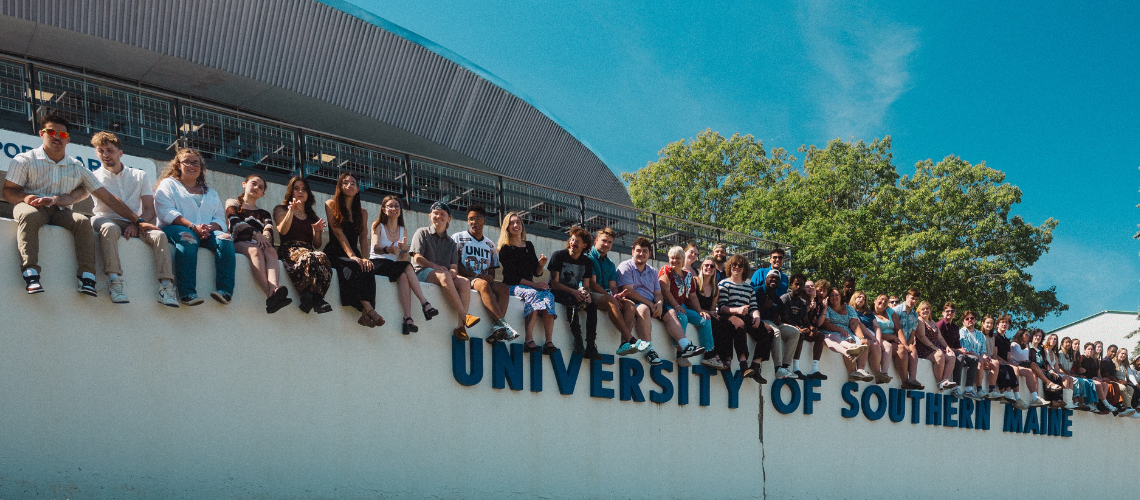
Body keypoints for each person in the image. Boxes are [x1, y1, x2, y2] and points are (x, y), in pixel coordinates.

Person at [4, 114, 150, 296]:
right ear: (42, 134)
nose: (57, 137)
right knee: (29, 215)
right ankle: (31, 272)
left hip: (60, 211)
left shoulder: (77, 166)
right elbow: (8, 192)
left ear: (68, 139)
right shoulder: (24, 159)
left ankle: (87, 277)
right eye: (51, 132)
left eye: (62, 134)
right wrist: (27, 198)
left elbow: (108, 197)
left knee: (82, 221)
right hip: (32, 207)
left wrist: (138, 220)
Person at [88, 131, 176, 306]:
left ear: (120, 153)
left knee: (159, 236)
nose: (105, 155)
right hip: (104, 218)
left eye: (110, 150)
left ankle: (166, 287)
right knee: (110, 228)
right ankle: (114, 282)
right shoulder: (93, 176)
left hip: (136, 220)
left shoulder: (139, 175)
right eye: (100, 150)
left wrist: (136, 223)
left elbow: (150, 208)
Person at [153, 148, 235, 305]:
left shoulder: (211, 193)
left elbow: (220, 219)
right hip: (175, 229)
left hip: (206, 232)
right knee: (187, 238)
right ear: (178, 165)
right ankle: (187, 293)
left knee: (225, 238)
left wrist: (208, 228)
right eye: (187, 162)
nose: (192, 166)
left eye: (196, 162)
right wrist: (192, 227)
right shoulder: (168, 184)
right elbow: (166, 212)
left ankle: (225, 291)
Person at [618, 238, 704, 366]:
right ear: (632, 252)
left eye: (645, 251)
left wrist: (658, 303)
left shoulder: (652, 271)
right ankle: (649, 351)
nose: (641, 254)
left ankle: (685, 346)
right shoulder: (625, 266)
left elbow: (658, 293)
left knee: (671, 312)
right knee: (643, 309)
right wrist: (649, 303)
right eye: (638, 251)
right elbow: (629, 291)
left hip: (651, 303)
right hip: (634, 302)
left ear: (649, 254)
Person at [410, 201, 479, 339]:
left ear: (449, 218)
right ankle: (465, 316)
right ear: (430, 215)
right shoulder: (421, 232)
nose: (438, 216)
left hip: (443, 275)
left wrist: (453, 271)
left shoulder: (452, 243)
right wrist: (437, 267)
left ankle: (461, 327)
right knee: (444, 276)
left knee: (465, 282)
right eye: (435, 213)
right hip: (421, 273)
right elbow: (417, 258)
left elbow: (453, 265)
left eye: (442, 214)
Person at [323, 172, 384, 328]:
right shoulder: (330, 204)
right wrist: (352, 256)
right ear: (340, 186)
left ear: (357, 189)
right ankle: (370, 310)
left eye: (353, 183)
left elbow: (363, 238)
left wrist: (365, 259)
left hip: (354, 253)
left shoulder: (362, 212)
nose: (349, 186)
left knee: (368, 269)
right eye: (345, 183)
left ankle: (365, 315)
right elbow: (338, 232)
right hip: (335, 251)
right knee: (353, 266)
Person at [371, 195, 438, 335]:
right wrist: (387, 250)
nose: (394, 208)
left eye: (397, 206)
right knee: (407, 266)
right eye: (390, 206)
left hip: (392, 265)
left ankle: (407, 318)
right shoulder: (378, 226)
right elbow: (375, 248)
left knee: (403, 276)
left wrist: (403, 250)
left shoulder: (403, 230)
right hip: (377, 262)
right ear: (384, 209)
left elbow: (402, 259)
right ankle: (425, 303)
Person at [226, 174, 290, 313]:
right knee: (255, 251)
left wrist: (264, 237)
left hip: (259, 242)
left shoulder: (264, 213)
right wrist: (256, 233)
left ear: (263, 194)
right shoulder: (233, 203)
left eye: (260, 187)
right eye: (253, 184)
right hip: (240, 241)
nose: (256, 188)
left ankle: (275, 289)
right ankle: (271, 294)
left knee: (271, 251)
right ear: (244, 185)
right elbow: (234, 222)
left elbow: (268, 229)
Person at [451, 204, 515, 341]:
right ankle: (504, 324)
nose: (474, 222)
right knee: (483, 284)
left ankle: (496, 328)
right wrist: (477, 276)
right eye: (470, 219)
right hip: (466, 278)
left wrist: (489, 278)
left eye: (478, 218)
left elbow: (492, 269)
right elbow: (455, 263)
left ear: (484, 220)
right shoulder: (458, 238)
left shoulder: (490, 244)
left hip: (483, 279)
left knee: (503, 288)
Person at [272, 176, 333, 314]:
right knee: (308, 257)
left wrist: (317, 231)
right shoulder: (281, 209)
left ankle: (313, 296)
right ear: (291, 191)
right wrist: (291, 211)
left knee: (322, 256)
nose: (301, 192)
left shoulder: (312, 216)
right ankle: (310, 296)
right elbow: (282, 230)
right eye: (297, 188)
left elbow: (317, 244)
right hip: (290, 249)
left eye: (304, 189)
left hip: (308, 249)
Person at [498, 211, 556, 353]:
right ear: (507, 227)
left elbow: (536, 273)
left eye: (518, 222)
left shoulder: (529, 245)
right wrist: (534, 285)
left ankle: (548, 341)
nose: (515, 225)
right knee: (532, 294)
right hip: (513, 286)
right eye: (512, 223)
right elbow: (511, 276)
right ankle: (528, 339)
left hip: (530, 284)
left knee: (549, 295)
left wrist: (541, 265)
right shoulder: (505, 248)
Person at [586, 227, 643, 356]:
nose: (606, 244)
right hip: (589, 294)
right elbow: (592, 284)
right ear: (596, 240)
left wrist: (617, 295)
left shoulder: (610, 263)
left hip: (606, 296)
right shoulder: (588, 257)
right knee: (611, 299)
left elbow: (612, 286)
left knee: (630, 304)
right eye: (604, 241)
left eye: (610, 242)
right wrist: (611, 297)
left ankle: (624, 344)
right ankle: (630, 338)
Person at [548, 226, 602, 360]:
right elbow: (554, 283)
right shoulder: (558, 255)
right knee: (571, 301)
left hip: (573, 292)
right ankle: (577, 339)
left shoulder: (587, 262)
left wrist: (586, 294)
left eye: (577, 241)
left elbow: (586, 285)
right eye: (572, 240)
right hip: (557, 292)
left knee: (592, 306)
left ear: (584, 245)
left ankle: (590, 344)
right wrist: (574, 291)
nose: (573, 243)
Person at [658, 246, 717, 368]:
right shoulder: (666, 270)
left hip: (682, 305)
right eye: (672, 258)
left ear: (683, 258)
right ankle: (680, 354)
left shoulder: (688, 275)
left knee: (704, 319)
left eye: (678, 258)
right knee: (682, 317)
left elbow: (693, 296)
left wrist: (700, 310)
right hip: (669, 304)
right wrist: (676, 305)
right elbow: (665, 291)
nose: (674, 261)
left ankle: (708, 354)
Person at [715, 255, 768, 381]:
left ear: (744, 269)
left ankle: (755, 365)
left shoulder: (749, 288)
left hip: (745, 316)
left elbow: (754, 307)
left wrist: (756, 317)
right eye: (734, 265)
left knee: (768, 331)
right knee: (739, 325)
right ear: (730, 266)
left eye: (740, 265)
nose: (737, 267)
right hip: (729, 315)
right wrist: (738, 310)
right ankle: (743, 364)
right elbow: (722, 307)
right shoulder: (724, 284)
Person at [820, 288, 873, 383]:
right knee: (849, 341)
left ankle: (860, 370)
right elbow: (826, 324)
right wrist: (839, 329)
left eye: (836, 295)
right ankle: (852, 373)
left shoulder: (849, 308)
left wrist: (862, 338)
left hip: (847, 332)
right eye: (832, 295)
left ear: (841, 297)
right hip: (832, 332)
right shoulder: (827, 308)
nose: (834, 297)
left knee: (864, 343)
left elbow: (855, 324)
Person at [759, 270, 799, 379]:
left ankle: (786, 367)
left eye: (777, 279)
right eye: (772, 277)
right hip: (760, 321)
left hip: (773, 322)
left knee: (794, 332)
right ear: (766, 279)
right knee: (775, 332)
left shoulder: (777, 298)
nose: (774, 280)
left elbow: (782, 315)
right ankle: (778, 369)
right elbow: (751, 311)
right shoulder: (757, 291)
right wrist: (764, 307)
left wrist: (779, 319)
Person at [785, 276, 825, 380]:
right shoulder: (791, 299)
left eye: (812, 286)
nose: (811, 288)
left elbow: (805, 320)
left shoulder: (811, 302)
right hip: (791, 327)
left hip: (802, 327)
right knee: (800, 334)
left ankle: (814, 369)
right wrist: (799, 328)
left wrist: (811, 328)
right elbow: (787, 318)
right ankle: (795, 368)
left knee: (820, 335)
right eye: (807, 286)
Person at [873, 294, 915, 388]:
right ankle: (882, 374)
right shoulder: (869, 313)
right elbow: (871, 330)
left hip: (893, 340)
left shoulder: (890, 312)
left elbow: (898, 329)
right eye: (881, 300)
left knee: (902, 349)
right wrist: (890, 337)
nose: (883, 302)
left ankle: (905, 381)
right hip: (879, 339)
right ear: (875, 300)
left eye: (886, 301)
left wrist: (905, 344)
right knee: (891, 347)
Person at [913, 301, 957, 392]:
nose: (925, 310)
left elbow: (940, 338)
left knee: (952, 356)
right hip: (924, 348)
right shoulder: (920, 320)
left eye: (927, 308)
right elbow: (921, 336)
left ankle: (945, 380)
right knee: (939, 355)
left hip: (935, 348)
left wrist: (947, 347)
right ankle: (939, 382)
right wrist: (934, 347)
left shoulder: (932, 322)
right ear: (919, 311)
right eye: (923, 309)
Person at [850, 291, 889, 383]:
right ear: (854, 298)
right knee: (871, 344)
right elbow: (859, 324)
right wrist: (870, 336)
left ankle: (880, 374)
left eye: (864, 298)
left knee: (880, 345)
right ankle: (866, 371)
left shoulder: (868, 312)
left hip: (871, 334)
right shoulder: (850, 309)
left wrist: (878, 340)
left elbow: (876, 326)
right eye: (859, 297)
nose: (861, 299)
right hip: (859, 333)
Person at [694, 258, 725, 369]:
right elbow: (690, 302)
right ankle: (713, 355)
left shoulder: (715, 288)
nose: (709, 268)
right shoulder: (695, 281)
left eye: (712, 266)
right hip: (695, 311)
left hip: (706, 313)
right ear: (702, 267)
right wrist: (706, 312)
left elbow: (712, 309)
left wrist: (712, 313)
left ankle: (722, 356)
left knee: (723, 322)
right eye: (706, 265)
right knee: (712, 322)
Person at [958, 310, 996, 400]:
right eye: (967, 319)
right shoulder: (962, 332)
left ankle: (992, 391)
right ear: (963, 322)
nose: (970, 320)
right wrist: (980, 358)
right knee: (979, 361)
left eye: (972, 318)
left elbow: (983, 350)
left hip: (979, 357)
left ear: (975, 320)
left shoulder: (980, 334)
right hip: (968, 357)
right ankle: (979, 390)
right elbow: (967, 350)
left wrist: (985, 356)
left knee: (995, 363)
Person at [936, 302, 967, 398]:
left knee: (974, 360)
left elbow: (957, 344)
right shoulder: (939, 325)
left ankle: (970, 389)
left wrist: (960, 349)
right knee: (960, 357)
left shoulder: (956, 327)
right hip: (943, 351)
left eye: (952, 311)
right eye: (947, 311)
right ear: (943, 313)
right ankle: (956, 387)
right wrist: (957, 351)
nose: (950, 313)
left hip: (953, 351)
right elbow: (938, 343)